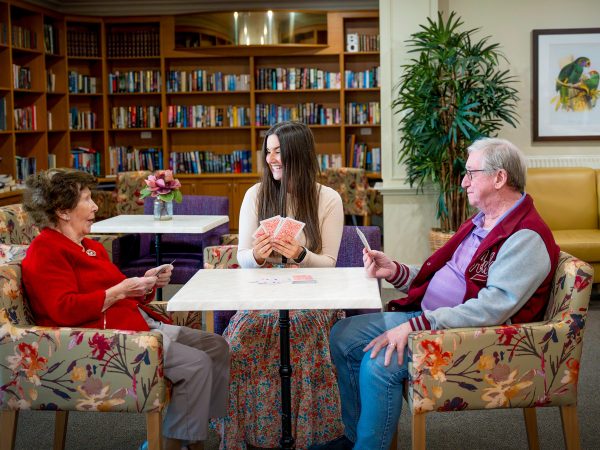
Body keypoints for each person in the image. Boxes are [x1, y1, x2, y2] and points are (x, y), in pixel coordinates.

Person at [313, 138, 560, 450]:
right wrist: (395, 271)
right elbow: (443, 273)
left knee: (378, 362)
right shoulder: (482, 222)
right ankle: (354, 437)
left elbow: (491, 310)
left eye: (472, 172)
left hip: (472, 338)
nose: (463, 181)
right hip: (430, 319)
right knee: (343, 334)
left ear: (500, 178)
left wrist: (416, 327)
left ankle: (368, 446)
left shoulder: (525, 237)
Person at [21, 169, 230, 450]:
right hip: (103, 341)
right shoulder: (45, 250)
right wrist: (119, 291)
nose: (95, 206)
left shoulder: (92, 247)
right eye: (86, 199)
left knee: (216, 346)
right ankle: (172, 443)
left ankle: (193, 430)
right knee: (196, 364)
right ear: (63, 211)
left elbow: (120, 292)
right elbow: (63, 309)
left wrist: (147, 281)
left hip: (135, 322)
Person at [215, 121, 345, 449]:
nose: (272, 159)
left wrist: (302, 254)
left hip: (314, 295)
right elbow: (242, 258)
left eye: (279, 152)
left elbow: (329, 265)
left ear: (298, 156)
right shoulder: (255, 194)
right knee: (239, 340)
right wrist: (255, 257)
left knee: (300, 334)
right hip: (263, 292)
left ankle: (301, 435)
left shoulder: (327, 198)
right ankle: (248, 434)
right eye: (268, 152)